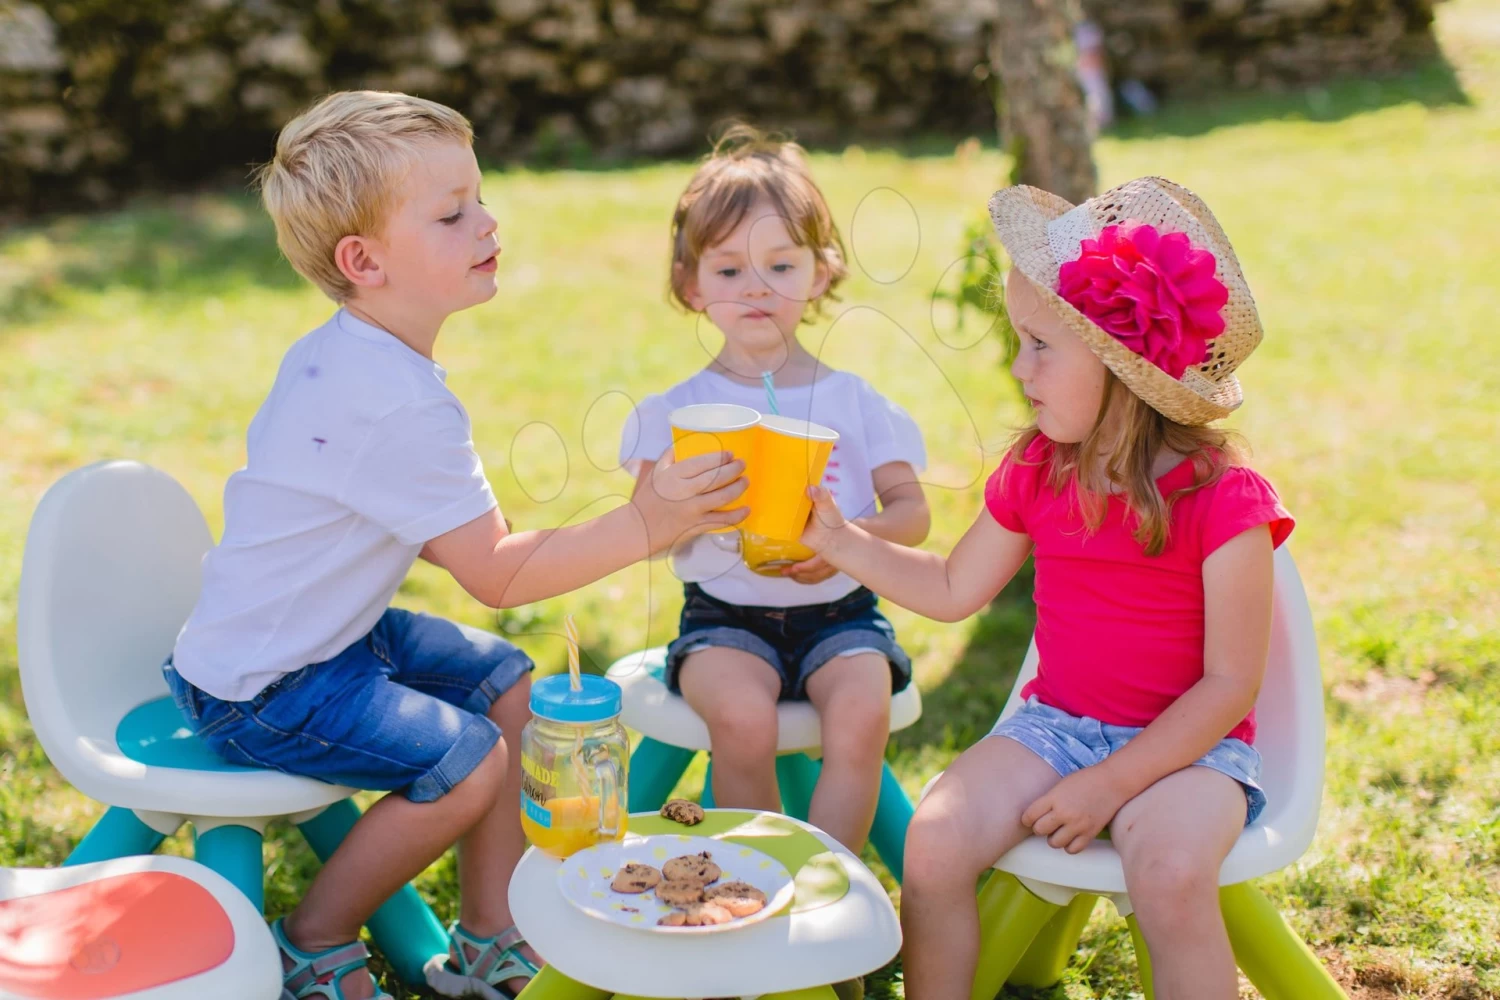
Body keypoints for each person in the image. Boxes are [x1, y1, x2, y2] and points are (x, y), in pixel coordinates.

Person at [165, 91, 746, 1000]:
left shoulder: (351, 355)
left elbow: (425, 531)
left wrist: (592, 524)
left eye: (478, 198)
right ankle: (312, 940)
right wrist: (648, 526)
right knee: (470, 758)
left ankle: (491, 938)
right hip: (266, 684)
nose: (488, 221)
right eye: (452, 213)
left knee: (512, 686)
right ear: (365, 261)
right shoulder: (395, 399)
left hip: (317, 638)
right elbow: (495, 574)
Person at [801, 176, 1293, 1000]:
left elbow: (1229, 684)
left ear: (1121, 368)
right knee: (934, 841)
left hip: (1193, 752)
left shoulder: (1226, 500)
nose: (1018, 367)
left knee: (1167, 869)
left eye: (1039, 346)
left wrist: (1111, 783)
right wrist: (838, 540)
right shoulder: (1039, 468)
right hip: (1055, 727)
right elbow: (955, 585)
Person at [618, 125, 930, 852]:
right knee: (743, 723)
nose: (755, 287)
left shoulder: (855, 401)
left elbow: (913, 517)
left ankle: (828, 886)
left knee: (861, 719)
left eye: (779, 266)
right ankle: (760, 883)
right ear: (691, 285)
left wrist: (848, 543)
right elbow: (639, 530)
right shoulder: (674, 414)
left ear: (819, 274)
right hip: (724, 619)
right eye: (728, 272)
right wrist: (690, 513)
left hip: (843, 615)